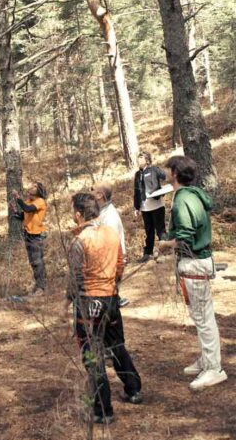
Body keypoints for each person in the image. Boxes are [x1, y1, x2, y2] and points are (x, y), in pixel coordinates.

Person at [68, 192, 142, 423]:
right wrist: (112, 285)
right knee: (117, 345)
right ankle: (134, 389)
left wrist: (70, 299)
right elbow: (120, 264)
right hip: (111, 299)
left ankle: (102, 410)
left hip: (89, 303)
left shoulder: (79, 241)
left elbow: (75, 278)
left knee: (93, 356)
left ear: (78, 214)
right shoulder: (111, 233)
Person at [158, 156, 227, 391]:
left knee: (204, 319)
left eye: (167, 168)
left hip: (194, 263)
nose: (164, 171)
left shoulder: (182, 200)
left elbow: (185, 238)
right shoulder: (192, 195)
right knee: (200, 317)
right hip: (197, 263)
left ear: (175, 173)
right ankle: (207, 360)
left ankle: (214, 369)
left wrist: (165, 245)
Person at [9, 182, 47, 293]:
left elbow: (28, 209)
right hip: (28, 235)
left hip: (36, 236)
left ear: (39, 190)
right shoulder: (28, 201)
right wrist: (15, 211)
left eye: (34, 186)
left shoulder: (40, 201)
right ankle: (39, 285)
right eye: (31, 185)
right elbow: (23, 216)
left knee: (37, 262)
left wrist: (17, 198)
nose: (31, 187)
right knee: (33, 262)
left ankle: (41, 287)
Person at [133, 151, 167, 261]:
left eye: (141, 157)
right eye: (138, 158)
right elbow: (136, 192)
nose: (139, 160)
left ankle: (165, 252)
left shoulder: (154, 170)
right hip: (145, 208)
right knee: (149, 231)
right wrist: (136, 207)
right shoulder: (137, 175)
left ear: (147, 160)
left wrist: (163, 190)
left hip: (157, 205)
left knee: (160, 230)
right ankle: (147, 253)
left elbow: (165, 176)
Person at [93, 184, 126, 257]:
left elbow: (112, 242)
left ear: (99, 195)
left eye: (92, 189)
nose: (90, 192)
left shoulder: (110, 216)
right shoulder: (101, 211)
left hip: (113, 259)